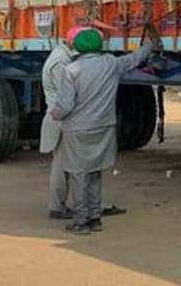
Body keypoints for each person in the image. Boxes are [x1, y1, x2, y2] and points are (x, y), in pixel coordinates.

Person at [48, 26, 158, 234]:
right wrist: (149, 46)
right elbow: (134, 59)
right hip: (105, 127)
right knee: (95, 172)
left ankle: (82, 221)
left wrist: (54, 114)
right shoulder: (111, 63)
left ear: (78, 47)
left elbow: (64, 106)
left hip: (78, 130)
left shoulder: (71, 70)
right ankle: (95, 217)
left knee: (79, 175)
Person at [40, 28, 128, 220]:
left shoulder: (67, 59)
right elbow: (67, 101)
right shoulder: (63, 64)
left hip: (69, 119)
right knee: (73, 168)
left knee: (76, 167)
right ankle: (74, 212)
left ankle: (85, 210)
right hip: (65, 121)